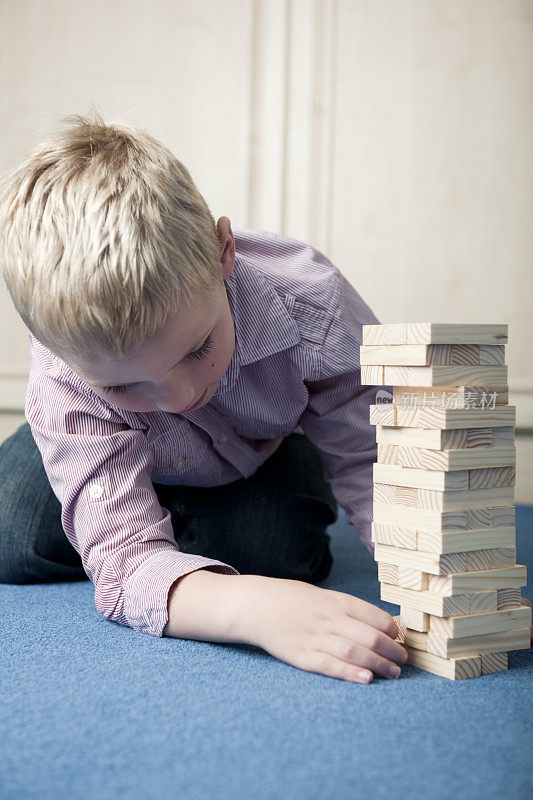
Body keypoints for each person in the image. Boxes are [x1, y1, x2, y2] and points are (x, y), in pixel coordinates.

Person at [0, 110, 409, 684]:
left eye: (196, 350)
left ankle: (181, 542)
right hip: (94, 448)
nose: (179, 398)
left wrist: (434, 578)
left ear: (223, 253)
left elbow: (373, 459)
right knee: (11, 532)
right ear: (54, 348)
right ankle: (149, 525)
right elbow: (124, 564)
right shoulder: (63, 375)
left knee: (279, 555)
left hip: (259, 454)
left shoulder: (312, 303)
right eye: (122, 385)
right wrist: (251, 609)